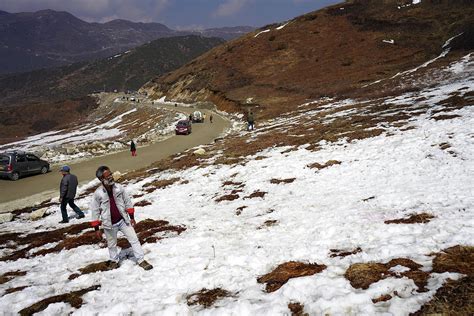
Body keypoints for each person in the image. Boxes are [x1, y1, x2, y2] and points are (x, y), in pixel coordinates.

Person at [90, 166, 153, 270]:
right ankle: (114, 261)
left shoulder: (119, 187)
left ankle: (141, 260)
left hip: (123, 220)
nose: (111, 177)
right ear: (101, 179)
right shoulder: (98, 193)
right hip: (109, 224)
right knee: (112, 244)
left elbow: (127, 201)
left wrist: (131, 217)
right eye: (108, 176)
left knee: (134, 240)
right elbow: (95, 210)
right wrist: (96, 228)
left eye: (111, 174)